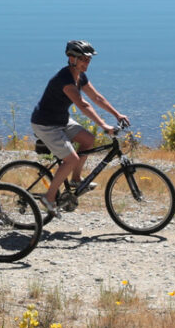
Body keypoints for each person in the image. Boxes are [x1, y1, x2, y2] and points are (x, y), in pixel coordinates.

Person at [29, 40, 129, 216]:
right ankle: (49, 197)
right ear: (71, 58)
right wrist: (104, 125)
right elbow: (83, 105)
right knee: (71, 159)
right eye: (83, 59)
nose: (87, 63)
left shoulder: (80, 76)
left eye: (89, 59)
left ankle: (75, 179)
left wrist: (117, 114)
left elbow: (96, 98)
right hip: (46, 124)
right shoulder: (65, 79)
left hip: (61, 119)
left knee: (88, 139)